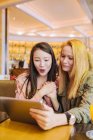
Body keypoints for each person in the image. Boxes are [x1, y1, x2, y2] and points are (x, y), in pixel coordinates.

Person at [29, 39, 93, 130]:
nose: (64, 61)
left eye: (70, 58)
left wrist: (56, 119)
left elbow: (87, 111)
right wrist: (54, 98)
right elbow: (63, 110)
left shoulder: (90, 78)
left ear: (80, 60)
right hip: (67, 130)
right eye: (63, 56)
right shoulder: (62, 78)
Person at [15, 42, 59, 111]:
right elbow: (20, 109)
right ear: (32, 61)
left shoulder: (58, 81)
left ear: (52, 60)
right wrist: (41, 93)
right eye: (37, 60)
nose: (42, 64)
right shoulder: (23, 80)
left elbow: (61, 112)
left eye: (46, 60)